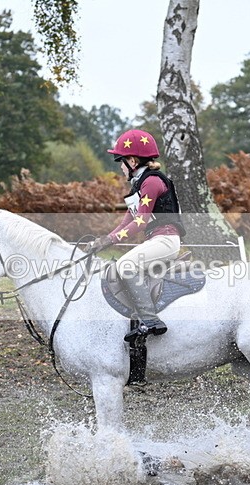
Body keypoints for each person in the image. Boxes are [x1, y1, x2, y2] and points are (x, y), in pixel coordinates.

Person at [89, 129, 186, 342]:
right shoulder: (140, 184)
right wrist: (105, 240)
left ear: (132, 161)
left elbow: (140, 221)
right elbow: (126, 222)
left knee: (125, 266)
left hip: (166, 240)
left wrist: (112, 240)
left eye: (121, 161)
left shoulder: (151, 182)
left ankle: (151, 321)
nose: (120, 167)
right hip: (157, 240)